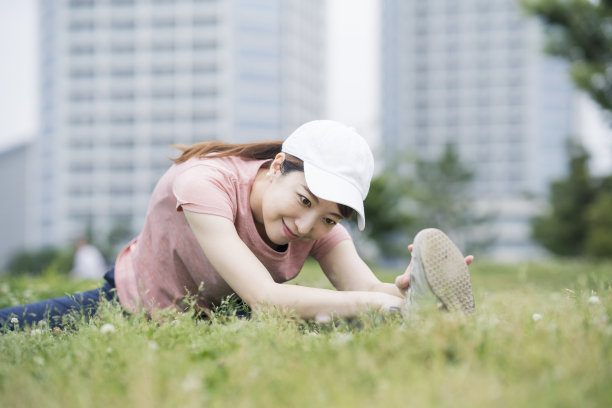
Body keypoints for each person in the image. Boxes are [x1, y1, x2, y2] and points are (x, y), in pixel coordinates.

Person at [0, 120, 474, 330]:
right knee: (14, 327)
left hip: (226, 320)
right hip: (134, 305)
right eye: (303, 200)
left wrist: (419, 291)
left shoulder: (322, 223)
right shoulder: (204, 184)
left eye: (328, 217)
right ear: (277, 167)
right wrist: (377, 305)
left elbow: (364, 288)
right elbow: (266, 299)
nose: (307, 225)